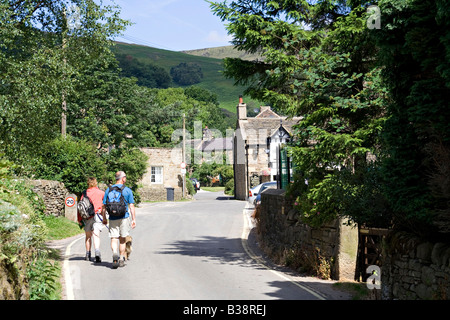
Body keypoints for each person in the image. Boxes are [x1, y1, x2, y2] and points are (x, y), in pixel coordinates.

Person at [101, 171, 136, 268]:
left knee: (114, 238)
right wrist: (133, 219)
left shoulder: (108, 190)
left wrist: (104, 218)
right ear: (123, 178)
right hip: (124, 217)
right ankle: (121, 258)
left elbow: (103, 206)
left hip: (112, 217)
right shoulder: (127, 190)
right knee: (122, 239)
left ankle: (115, 253)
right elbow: (131, 206)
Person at [78, 177, 105, 263]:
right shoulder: (101, 193)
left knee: (88, 236)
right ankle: (97, 251)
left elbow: (81, 206)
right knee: (96, 235)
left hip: (87, 217)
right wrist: (104, 217)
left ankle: (88, 254)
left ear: (88, 183)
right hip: (97, 216)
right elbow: (105, 206)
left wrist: (79, 219)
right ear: (96, 183)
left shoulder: (85, 193)